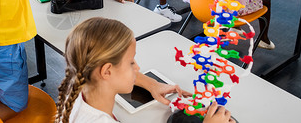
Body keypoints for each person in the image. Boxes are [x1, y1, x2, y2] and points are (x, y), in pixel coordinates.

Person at [55, 17, 234, 123]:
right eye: (131, 62)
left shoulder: (79, 88)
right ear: (106, 71)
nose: (137, 67)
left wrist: (152, 84)